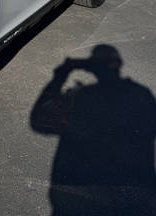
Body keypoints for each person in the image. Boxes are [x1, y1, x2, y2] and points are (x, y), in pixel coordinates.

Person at [30, 45, 156, 215]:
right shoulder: (140, 93)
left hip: (83, 190)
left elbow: (39, 120)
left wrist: (62, 73)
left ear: (91, 68)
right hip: (132, 190)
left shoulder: (82, 97)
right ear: (118, 64)